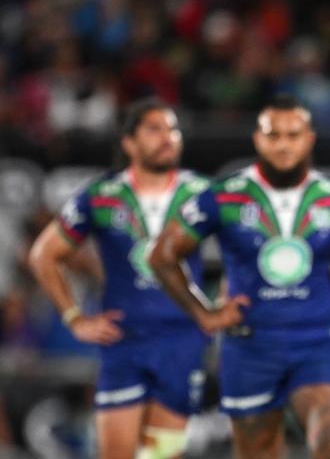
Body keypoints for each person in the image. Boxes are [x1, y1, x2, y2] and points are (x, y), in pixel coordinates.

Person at [149, 96, 330, 459]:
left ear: (309, 138)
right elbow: (162, 256)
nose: (283, 144)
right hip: (250, 347)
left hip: (317, 343)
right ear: (258, 140)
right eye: (273, 134)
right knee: (258, 453)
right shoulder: (223, 196)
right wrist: (204, 313)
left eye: (293, 134)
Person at [28, 98, 246, 459]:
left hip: (181, 340)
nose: (167, 137)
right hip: (124, 341)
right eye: (154, 129)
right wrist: (74, 317)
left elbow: (242, 247)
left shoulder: (203, 193)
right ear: (129, 143)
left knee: (162, 455)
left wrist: (221, 301)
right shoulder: (101, 197)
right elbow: (44, 255)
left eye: (173, 130)